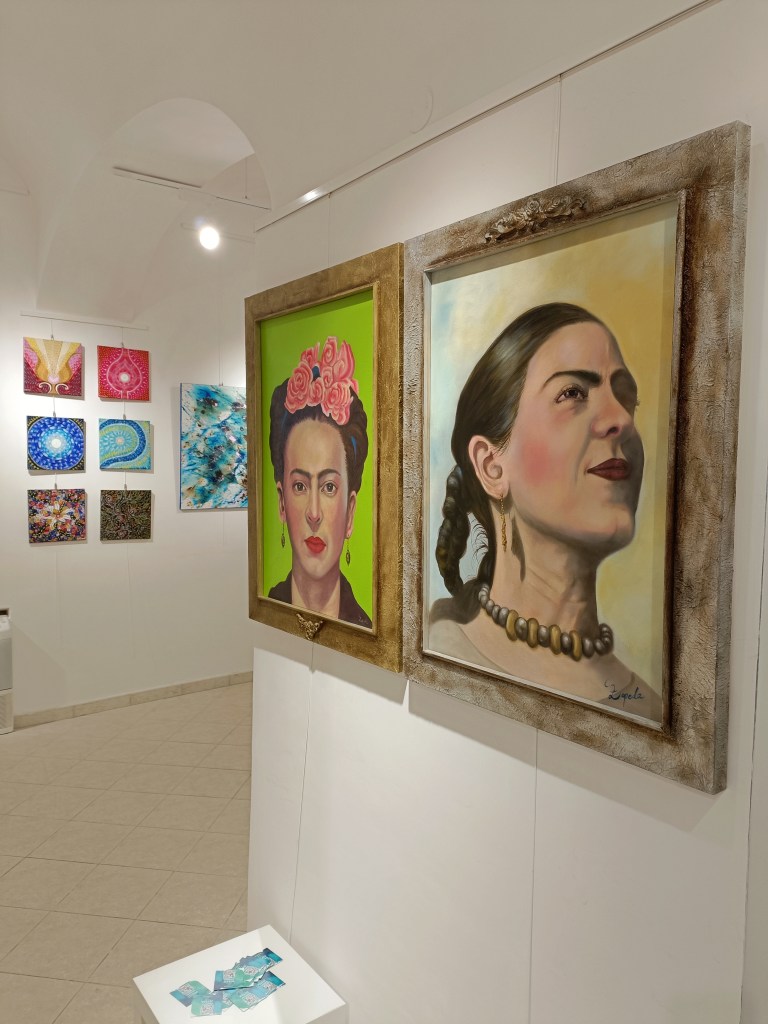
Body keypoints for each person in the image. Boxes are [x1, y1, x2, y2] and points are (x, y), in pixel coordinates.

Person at [430, 302, 661, 720]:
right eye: (572, 393)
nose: (622, 420)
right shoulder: (438, 644)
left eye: (627, 399)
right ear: (491, 466)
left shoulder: (647, 709)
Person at [267, 336, 371, 628]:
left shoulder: (363, 626)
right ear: (282, 502)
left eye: (329, 487)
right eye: (300, 486)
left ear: (350, 511)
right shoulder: (271, 606)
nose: (314, 513)